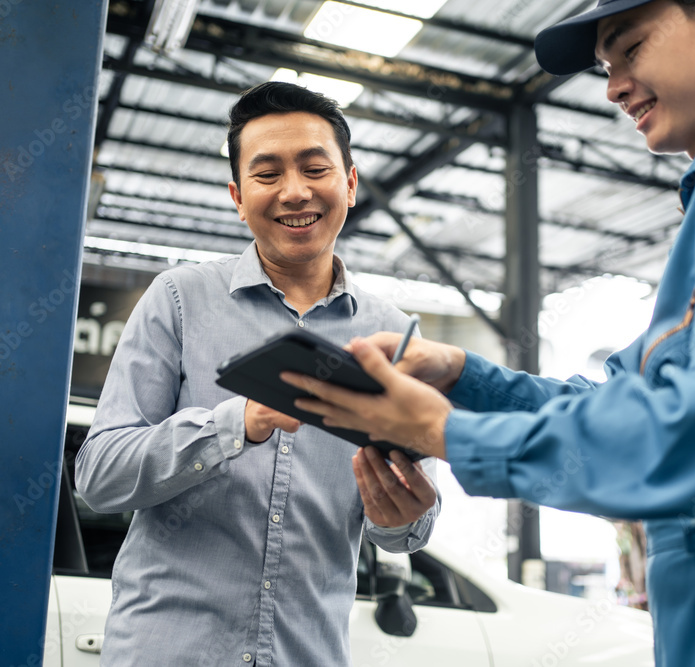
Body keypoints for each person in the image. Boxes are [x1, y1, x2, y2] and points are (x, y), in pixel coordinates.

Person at [280, 0, 695, 665]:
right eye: (606, 65)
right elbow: (627, 407)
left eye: (630, 48)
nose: (613, 85)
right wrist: (464, 380)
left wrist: (450, 433)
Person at [75, 82, 440, 667]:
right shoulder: (178, 300)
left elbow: (405, 530)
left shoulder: (396, 337)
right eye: (267, 174)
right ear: (238, 197)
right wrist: (235, 423)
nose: (295, 192)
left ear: (349, 182)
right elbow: (98, 475)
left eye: (315, 168)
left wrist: (403, 519)